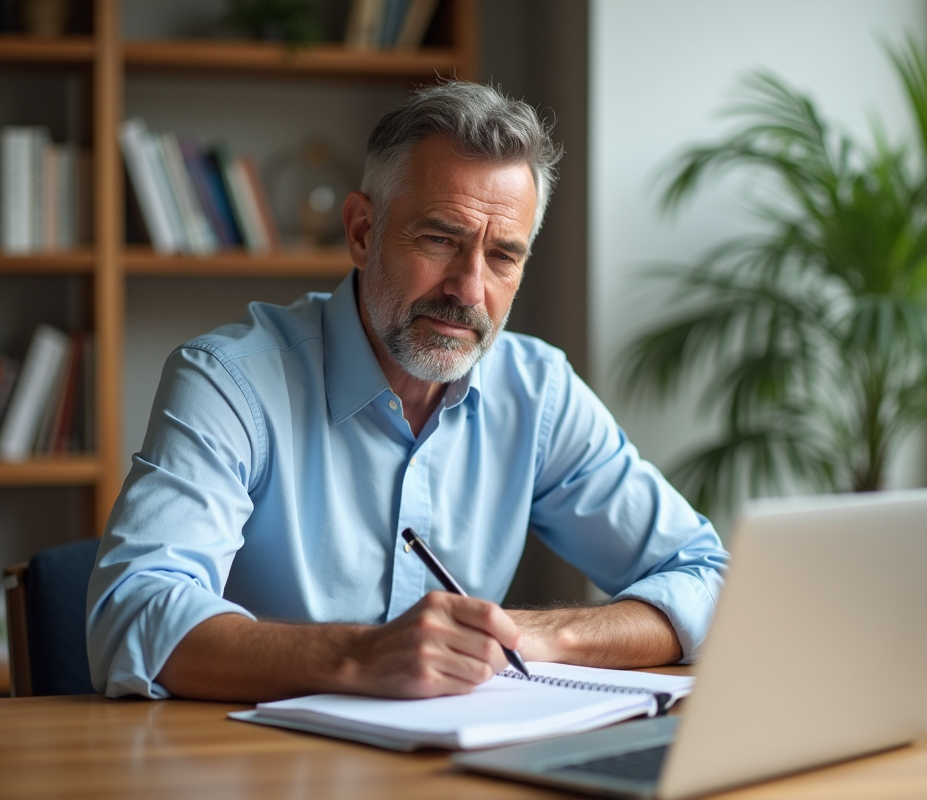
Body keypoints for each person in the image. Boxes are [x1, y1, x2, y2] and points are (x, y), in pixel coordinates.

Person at [87, 81, 729, 702]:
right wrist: (360, 657)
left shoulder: (540, 392)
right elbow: (132, 616)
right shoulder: (230, 382)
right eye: (440, 239)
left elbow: (711, 579)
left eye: (503, 256)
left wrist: (538, 635)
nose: (469, 290)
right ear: (362, 231)